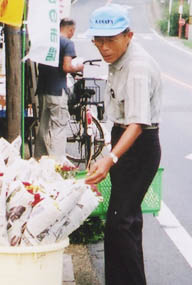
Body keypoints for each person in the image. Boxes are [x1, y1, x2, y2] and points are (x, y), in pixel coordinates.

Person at [85, 5, 162, 285]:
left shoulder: (137, 66)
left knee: (121, 223)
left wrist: (110, 159)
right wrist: (107, 153)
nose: (103, 47)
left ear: (128, 35)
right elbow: (118, 118)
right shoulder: (117, 60)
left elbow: (138, 124)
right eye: (98, 40)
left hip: (139, 147)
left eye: (110, 40)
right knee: (122, 223)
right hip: (124, 142)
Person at [34, 18, 84, 160]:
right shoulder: (67, 43)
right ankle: (56, 165)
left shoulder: (47, 42)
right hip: (58, 91)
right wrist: (79, 67)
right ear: (71, 30)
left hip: (43, 90)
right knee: (58, 127)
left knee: (43, 128)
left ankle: (39, 161)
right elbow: (67, 67)